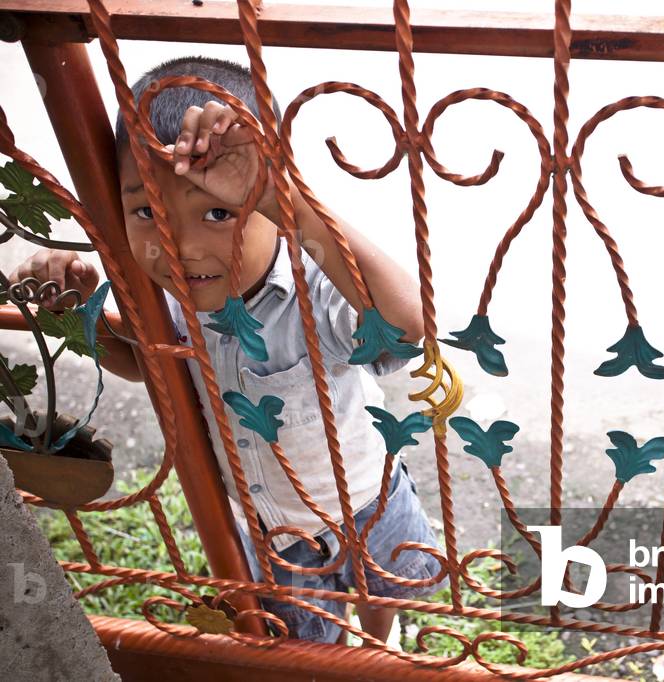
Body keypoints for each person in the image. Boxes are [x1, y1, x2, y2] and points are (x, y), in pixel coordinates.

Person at [8, 56, 445, 645]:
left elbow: (406, 325)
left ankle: (379, 637)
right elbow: (145, 365)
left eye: (219, 213)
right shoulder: (160, 298)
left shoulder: (314, 286)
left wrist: (282, 198)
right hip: (273, 532)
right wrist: (82, 310)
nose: (181, 247)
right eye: (147, 212)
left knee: (383, 593)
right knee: (302, 650)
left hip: (368, 494)